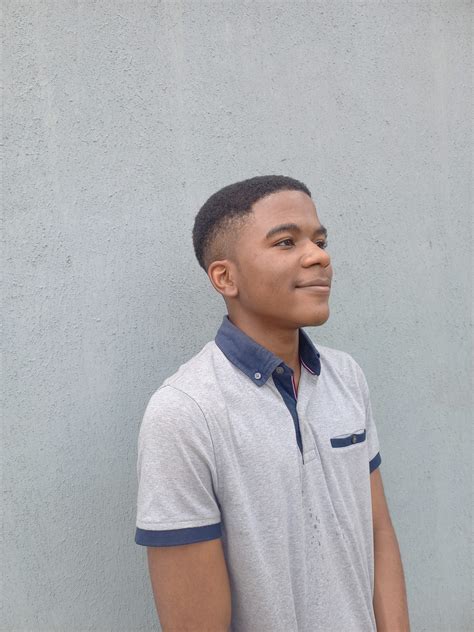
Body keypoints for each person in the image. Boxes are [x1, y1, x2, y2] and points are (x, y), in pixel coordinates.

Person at [134, 175, 410, 632]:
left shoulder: (346, 377)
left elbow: (378, 532)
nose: (319, 256)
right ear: (225, 277)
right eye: (286, 242)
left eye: (320, 241)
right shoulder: (185, 413)